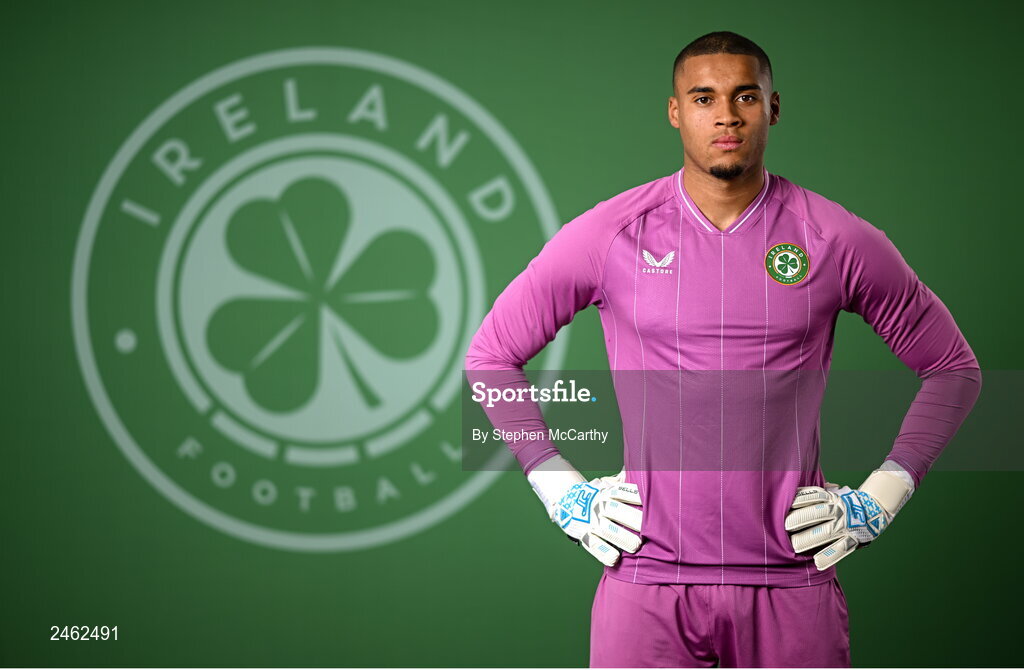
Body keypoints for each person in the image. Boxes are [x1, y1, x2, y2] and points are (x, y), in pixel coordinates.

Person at [464, 31, 982, 668]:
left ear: (773, 107)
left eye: (746, 96)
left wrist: (881, 496)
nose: (727, 116)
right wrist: (556, 486)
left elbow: (954, 369)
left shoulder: (836, 238)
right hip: (646, 580)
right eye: (704, 98)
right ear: (675, 111)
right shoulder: (611, 234)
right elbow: (490, 358)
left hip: (792, 580)